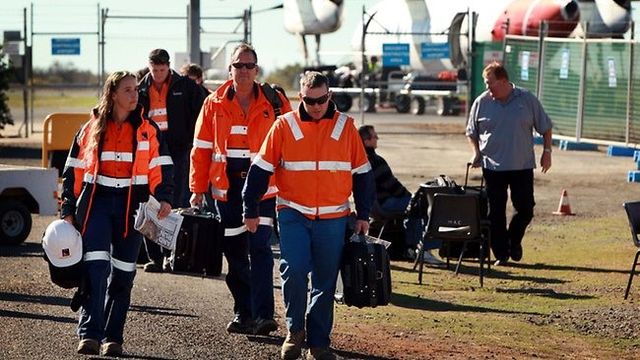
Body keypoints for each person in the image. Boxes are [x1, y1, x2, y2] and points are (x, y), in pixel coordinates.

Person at [243, 71, 374, 360]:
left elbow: (363, 173)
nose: (317, 106)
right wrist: (249, 207)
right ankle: (294, 332)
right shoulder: (283, 126)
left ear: (330, 96)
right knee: (295, 270)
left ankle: (318, 342)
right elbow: (261, 169)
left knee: (325, 281)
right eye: (311, 101)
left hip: (333, 216)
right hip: (293, 211)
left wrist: (363, 213)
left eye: (322, 100)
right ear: (301, 97)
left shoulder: (346, 127)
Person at [60, 71, 174, 356]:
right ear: (113, 94)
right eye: (128, 90)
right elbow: (74, 170)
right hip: (97, 203)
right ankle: (89, 334)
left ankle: (113, 337)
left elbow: (161, 168)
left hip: (132, 207)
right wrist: (68, 208)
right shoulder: (91, 128)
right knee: (96, 269)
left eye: (136, 89)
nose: (135, 94)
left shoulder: (149, 130)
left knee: (123, 275)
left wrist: (164, 198)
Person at [190, 43, 292, 336]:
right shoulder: (214, 103)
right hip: (227, 188)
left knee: (260, 248)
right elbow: (201, 149)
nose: (244, 71)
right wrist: (197, 188)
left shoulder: (275, 101)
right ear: (230, 69)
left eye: (249, 66)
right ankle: (242, 312)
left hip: (263, 189)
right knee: (234, 252)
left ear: (256, 70)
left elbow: (293, 144)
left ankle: (263, 316)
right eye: (239, 65)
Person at [466, 61, 553, 266]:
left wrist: (547, 152)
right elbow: (471, 132)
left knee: (525, 209)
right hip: (492, 167)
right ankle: (502, 254)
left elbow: (546, 127)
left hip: (521, 165)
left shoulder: (526, 99)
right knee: (495, 212)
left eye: (490, 83)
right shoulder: (481, 102)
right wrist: (476, 153)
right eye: (485, 83)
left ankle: (514, 241)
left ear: (503, 81)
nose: (487, 88)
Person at [138, 49, 206, 272]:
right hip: (150, 150)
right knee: (150, 201)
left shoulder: (184, 86)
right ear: (149, 67)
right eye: (154, 70)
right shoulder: (140, 88)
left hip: (178, 150)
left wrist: (193, 138)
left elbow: (206, 106)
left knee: (176, 201)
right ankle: (155, 258)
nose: (158, 74)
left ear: (168, 67)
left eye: (162, 70)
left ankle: (173, 255)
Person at [358, 124, 444, 265]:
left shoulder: (359, 159)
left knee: (415, 206)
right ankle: (421, 248)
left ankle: (414, 246)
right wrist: (411, 198)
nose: (377, 139)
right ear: (366, 141)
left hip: (372, 206)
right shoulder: (375, 161)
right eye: (374, 136)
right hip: (384, 203)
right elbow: (392, 185)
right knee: (423, 206)